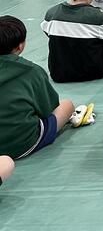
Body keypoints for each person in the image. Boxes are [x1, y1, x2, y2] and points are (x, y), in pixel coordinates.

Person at [0, 15, 76, 159]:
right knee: (67, 105)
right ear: (20, 46)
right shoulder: (31, 71)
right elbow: (47, 109)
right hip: (19, 144)